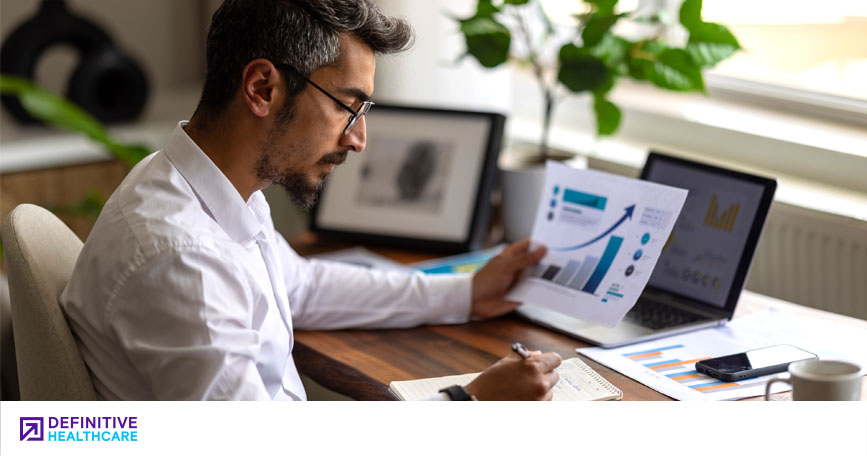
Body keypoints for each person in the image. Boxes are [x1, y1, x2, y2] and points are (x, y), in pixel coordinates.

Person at [61, 0, 562, 401]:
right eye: (349, 106)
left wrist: (467, 294)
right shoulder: (181, 257)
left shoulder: (204, 185)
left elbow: (303, 285)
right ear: (262, 88)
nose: (358, 138)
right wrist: (469, 404)